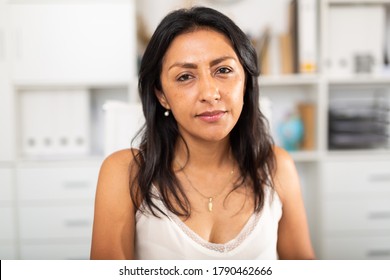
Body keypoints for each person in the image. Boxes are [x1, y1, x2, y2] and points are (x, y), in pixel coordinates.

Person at [90, 6, 315, 260]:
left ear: (246, 81)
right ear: (161, 95)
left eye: (223, 70)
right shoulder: (125, 173)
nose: (209, 93)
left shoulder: (276, 167)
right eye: (185, 76)